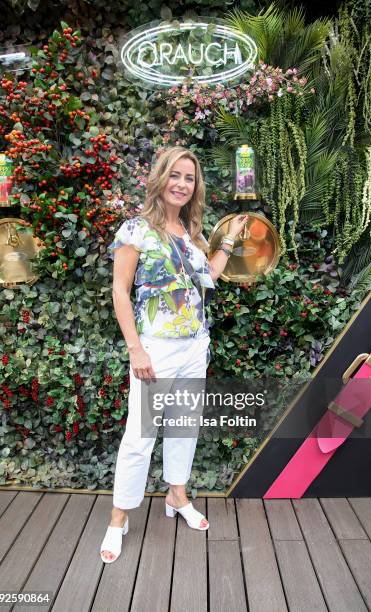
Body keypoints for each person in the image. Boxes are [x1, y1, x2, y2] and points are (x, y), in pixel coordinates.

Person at [101, 146, 248, 563]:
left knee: (183, 426)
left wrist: (231, 238)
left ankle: (176, 495)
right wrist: (136, 349)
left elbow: (210, 276)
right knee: (140, 436)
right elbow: (119, 291)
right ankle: (118, 518)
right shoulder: (135, 230)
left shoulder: (191, 234)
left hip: (194, 345)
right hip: (156, 350)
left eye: (190, 178)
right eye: (176, 176)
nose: (183, 184)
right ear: (160, 178)